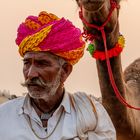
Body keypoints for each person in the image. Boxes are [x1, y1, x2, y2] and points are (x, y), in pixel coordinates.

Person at [0, 11, 116, 140]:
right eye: (27, 63)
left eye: (42, 63)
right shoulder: (4, 115)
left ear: (65, 71)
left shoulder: (91, 114)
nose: (31, 74)